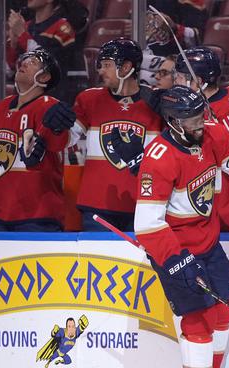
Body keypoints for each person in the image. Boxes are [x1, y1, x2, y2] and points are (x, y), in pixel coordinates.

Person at [134, 86, 229, 368]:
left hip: (209, 242)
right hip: (176, 250)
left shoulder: (212, 132)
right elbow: (146, 224)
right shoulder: (159, 157)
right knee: (196, 317)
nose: (203, 123)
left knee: (223, 307)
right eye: (194, 119)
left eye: (203, 115)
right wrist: (176, 260)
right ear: (174, 122)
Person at [0, 49, 75, 231]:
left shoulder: (50, 107)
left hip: (37, 216)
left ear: (44, 77)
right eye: (24, 60)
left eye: (33, 62)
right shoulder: (1, 107)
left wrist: (58, 129)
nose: (24, 63)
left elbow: (61, 143)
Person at [68, 38, 164, 232]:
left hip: (144, 204)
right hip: (97, 204)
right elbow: (66, 140)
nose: (101, 71)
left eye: (107, 65)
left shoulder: (156, 103)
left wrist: (171, 116)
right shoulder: (89, 99)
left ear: (127, 67)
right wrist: (54, 128)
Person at [174, 46, 229, 231]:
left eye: (180, 76)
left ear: (198, 81)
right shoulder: (184, 115)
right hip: (214, 208)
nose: (176, 81)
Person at [7, 0, 80, 102]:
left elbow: (49, 61)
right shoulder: (26, 26)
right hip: (23, 95)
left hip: (50, 97)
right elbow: (10, 69)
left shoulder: (62, 28)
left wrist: (22, 35)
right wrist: (13, 44)